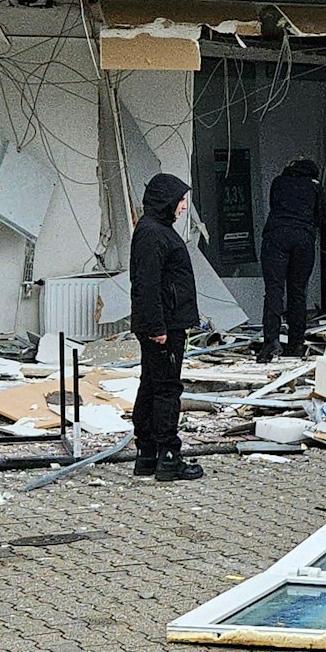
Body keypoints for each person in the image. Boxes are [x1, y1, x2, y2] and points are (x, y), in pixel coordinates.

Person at [129, 173, 203, 482]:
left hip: (165, 322)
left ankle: (147, 454)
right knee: (166, 388)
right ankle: (168, 456)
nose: (184, 207)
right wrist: (158, 326)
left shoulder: (156, 230)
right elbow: (147, 284)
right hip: (164, 326)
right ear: (167, 201)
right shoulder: (153, 234)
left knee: (152, 384)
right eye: (181, 201)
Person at [258, 157, 321, 364]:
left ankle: (271, 342)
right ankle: (296, 344)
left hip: (276, 236)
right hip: (303, 239)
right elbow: (321, 217)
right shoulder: (314, 187)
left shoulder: (278, 182)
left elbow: (274, 205)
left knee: (274, 290)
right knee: (298, 292)